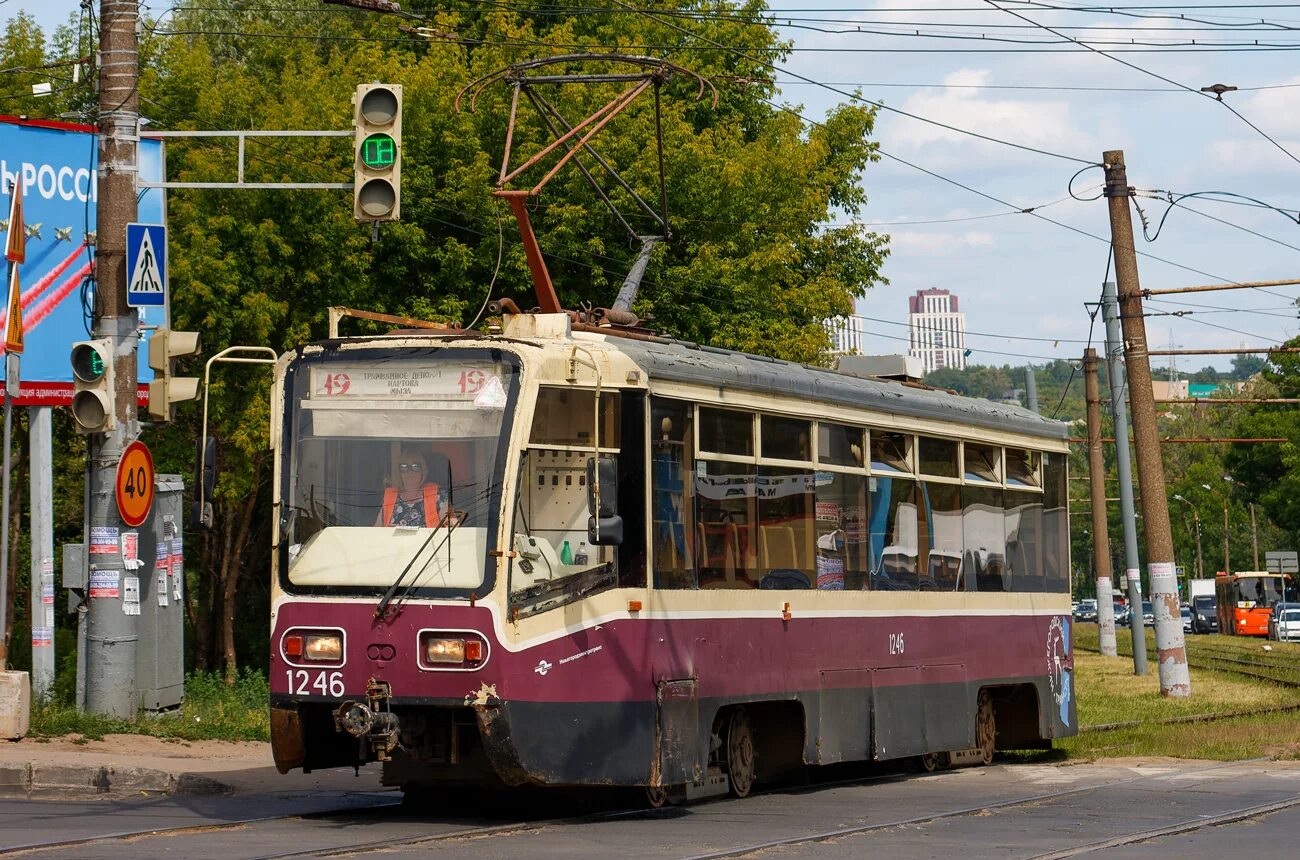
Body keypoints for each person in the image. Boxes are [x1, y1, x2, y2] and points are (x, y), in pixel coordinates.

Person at [376, 449, 449, 528]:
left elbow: (449, 524)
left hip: (429, 540)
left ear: (423, 471)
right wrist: (387, 531)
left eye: (416, 467)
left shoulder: (437, 493)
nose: (409, 472)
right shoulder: (389, 496)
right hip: (395, 540)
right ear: (399, 472)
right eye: (404, 467)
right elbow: (376, 530)